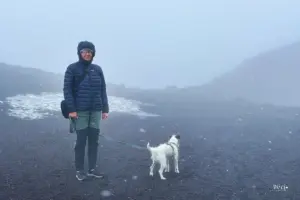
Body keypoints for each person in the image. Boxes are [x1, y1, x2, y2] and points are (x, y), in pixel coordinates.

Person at [63, 41, 109, 181]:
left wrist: (105, 108)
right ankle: (79, 170)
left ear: (93, 53)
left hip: (95, 110)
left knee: (94, 141)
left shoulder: (98, 69)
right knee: (81, 140)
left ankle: (92, 169)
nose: (87, 53)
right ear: (79, 53)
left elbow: (103, 90)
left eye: (90, 51)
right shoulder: (72, 69)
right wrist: (71, 109)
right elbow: (67, 90)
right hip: (80, 111)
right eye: (84, 51)